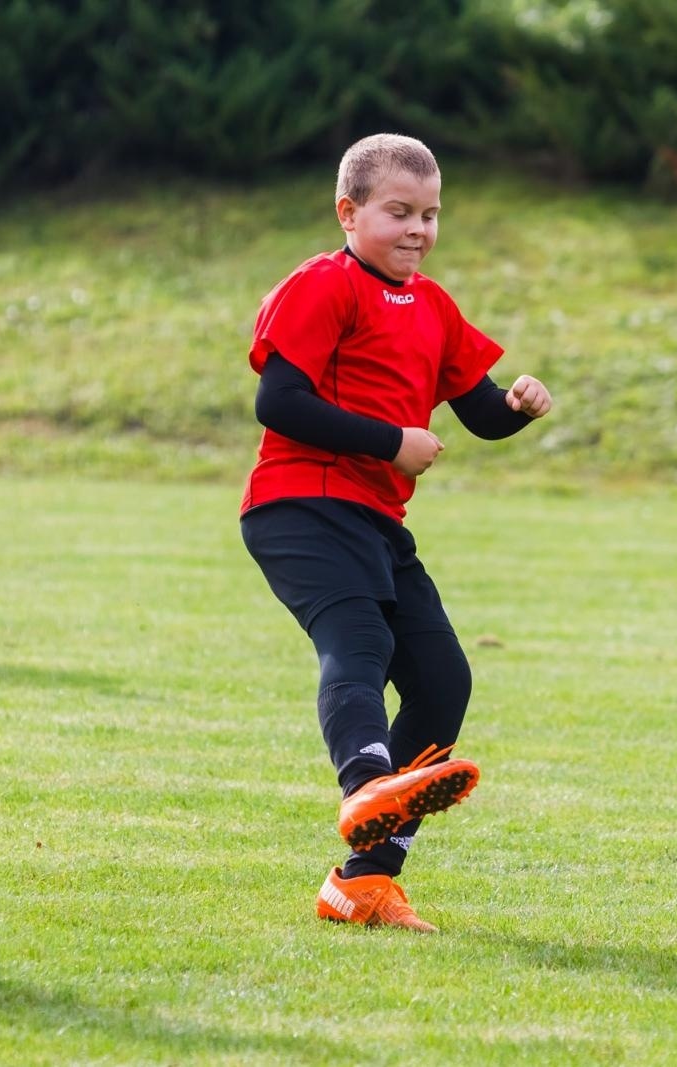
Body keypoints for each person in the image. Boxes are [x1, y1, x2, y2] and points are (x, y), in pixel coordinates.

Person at [239, 134, 553, 932]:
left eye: (431, 214)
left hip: (377, 518)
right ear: (349, 213)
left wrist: (515, 406)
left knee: (444, 680)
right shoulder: (324, 285)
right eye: (398, 212)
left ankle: (364, 883)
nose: (417, 228)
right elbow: (279, 402)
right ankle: (366, 782)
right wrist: (392, 441)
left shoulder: (434, 305)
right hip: (299, 503)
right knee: (359, 645)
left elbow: (477, 412)